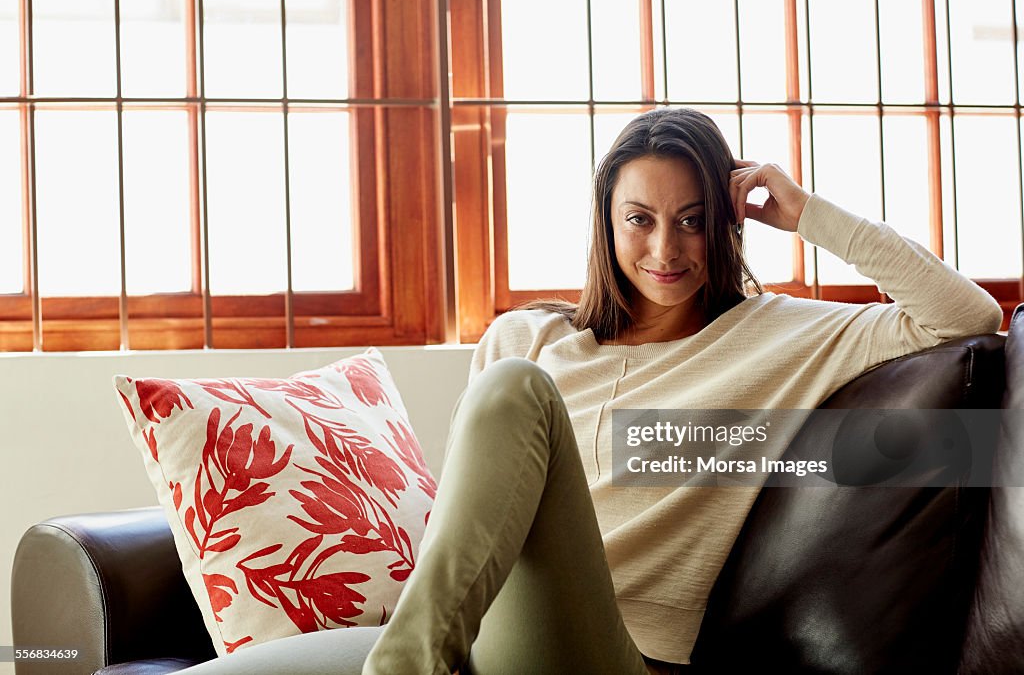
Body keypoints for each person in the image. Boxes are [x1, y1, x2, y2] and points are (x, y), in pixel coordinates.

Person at [180, 108, 1003, 674]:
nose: (667, 247)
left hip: (611, 654)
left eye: (692, 218)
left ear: (726, 222)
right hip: (468, 640)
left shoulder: (787, 332)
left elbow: (965, 314)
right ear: (607, 226)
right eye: (640, 218)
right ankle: (413, 658)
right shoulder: (532, 337)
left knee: (513, 392)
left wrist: (809, 212)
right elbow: (458, 539)